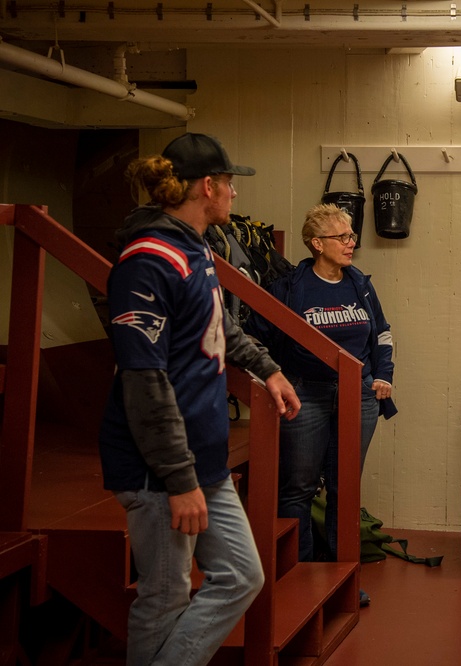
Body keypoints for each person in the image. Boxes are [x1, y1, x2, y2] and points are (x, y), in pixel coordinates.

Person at [99, 132, 301, 666]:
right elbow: (144, 381)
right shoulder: (149, 260)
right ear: (207, 187)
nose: (235, 195)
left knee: (241, 576)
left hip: (203, 459)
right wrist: (179, 479)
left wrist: (269, 369)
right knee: (163, 598)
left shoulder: (196, 248)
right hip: (161, 471)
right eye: (230, 184)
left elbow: (219, 325)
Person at [245, 204, 396, 580]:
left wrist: (384, 375)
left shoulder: (359, 284)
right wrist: (273, 376)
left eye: (352, 236)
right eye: (342, 237)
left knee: (345, 490)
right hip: (305, 395)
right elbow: (253, 337)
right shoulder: (290, 288)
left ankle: (340, 577)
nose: (351, 243)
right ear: (316, 243)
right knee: (299, 486)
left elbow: (381, 333)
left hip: (357, 396)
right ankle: (301, 575)